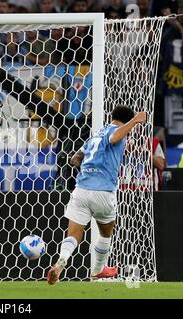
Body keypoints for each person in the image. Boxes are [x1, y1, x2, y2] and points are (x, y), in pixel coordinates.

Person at [47, 106, 147, 284]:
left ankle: (61, 261)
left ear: (112, 116)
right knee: (106, 232)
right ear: (126, 120)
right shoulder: (116, 132)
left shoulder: (96, 135)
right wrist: (135, 121)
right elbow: (115, 137)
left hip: (81, 190)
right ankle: (99, 268)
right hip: (102, 191)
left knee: (73, 235)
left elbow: (74, 159)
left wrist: (88, 169)